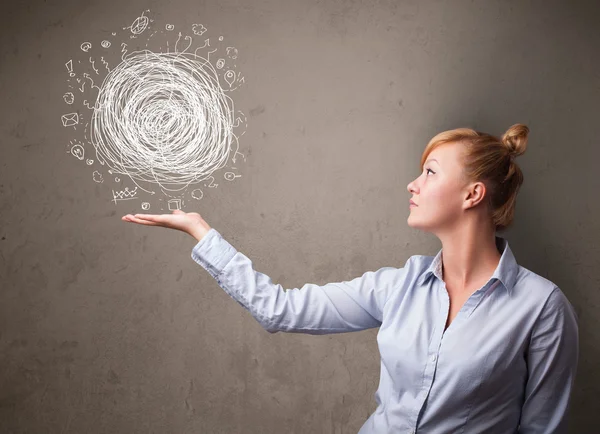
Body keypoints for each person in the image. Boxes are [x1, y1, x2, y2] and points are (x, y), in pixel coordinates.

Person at [122, 123, 579, 433]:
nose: (412, 185)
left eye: (429, 172)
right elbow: (280, 308)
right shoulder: (396, 286)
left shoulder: (541, 308)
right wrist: (200, 231)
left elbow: (539, 428)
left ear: (473, 194)